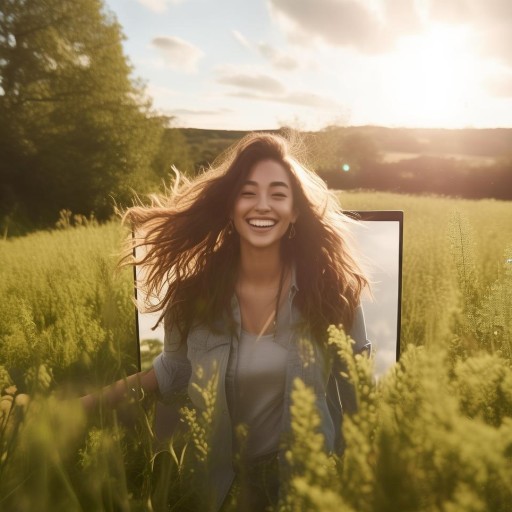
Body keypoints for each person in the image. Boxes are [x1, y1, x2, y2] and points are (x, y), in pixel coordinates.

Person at [81, 132, 371, 512]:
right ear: (231, 207)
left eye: (278, 194)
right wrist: (86, 405)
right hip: (216, 482)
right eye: (248, 192)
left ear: (296, 211)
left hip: (303, 483)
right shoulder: (192, 297)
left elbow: (358, 400)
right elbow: (173, 373)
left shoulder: (335, 294)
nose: (262, 206)